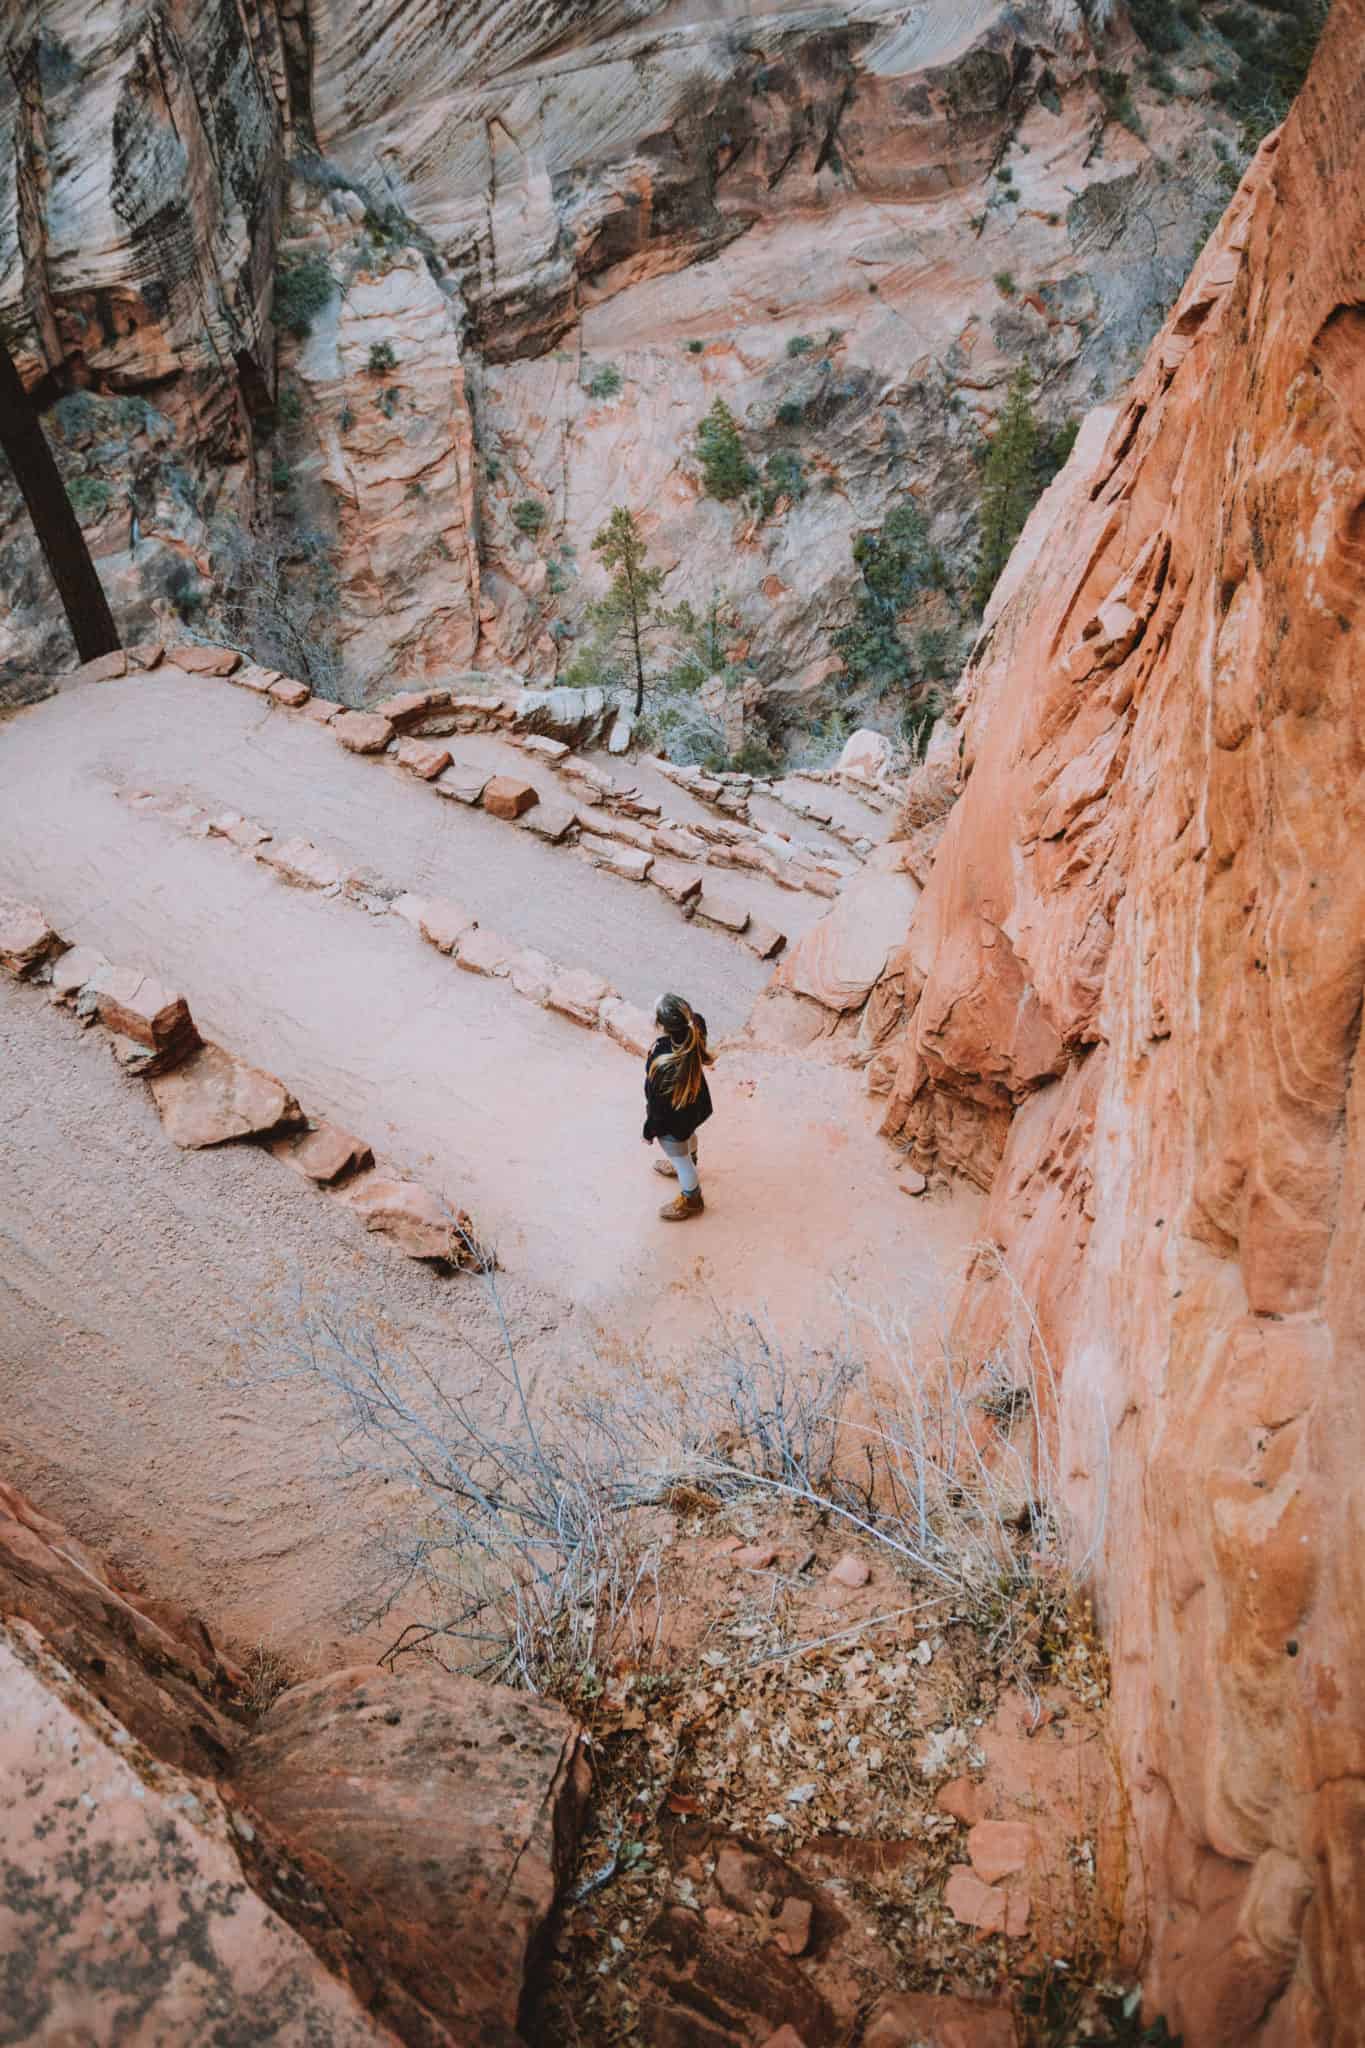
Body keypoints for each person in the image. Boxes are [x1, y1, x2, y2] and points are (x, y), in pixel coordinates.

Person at [642, 992, 714, 1222]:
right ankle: (689, 1158)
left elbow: (658, 1108)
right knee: (689, 1136)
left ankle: (692, 1199)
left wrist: (649, 1130)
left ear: (661, 1024)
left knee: (682, 1163)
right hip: (694, 1107)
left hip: (674, 1118)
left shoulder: (663, 1061)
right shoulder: (695, 1027)